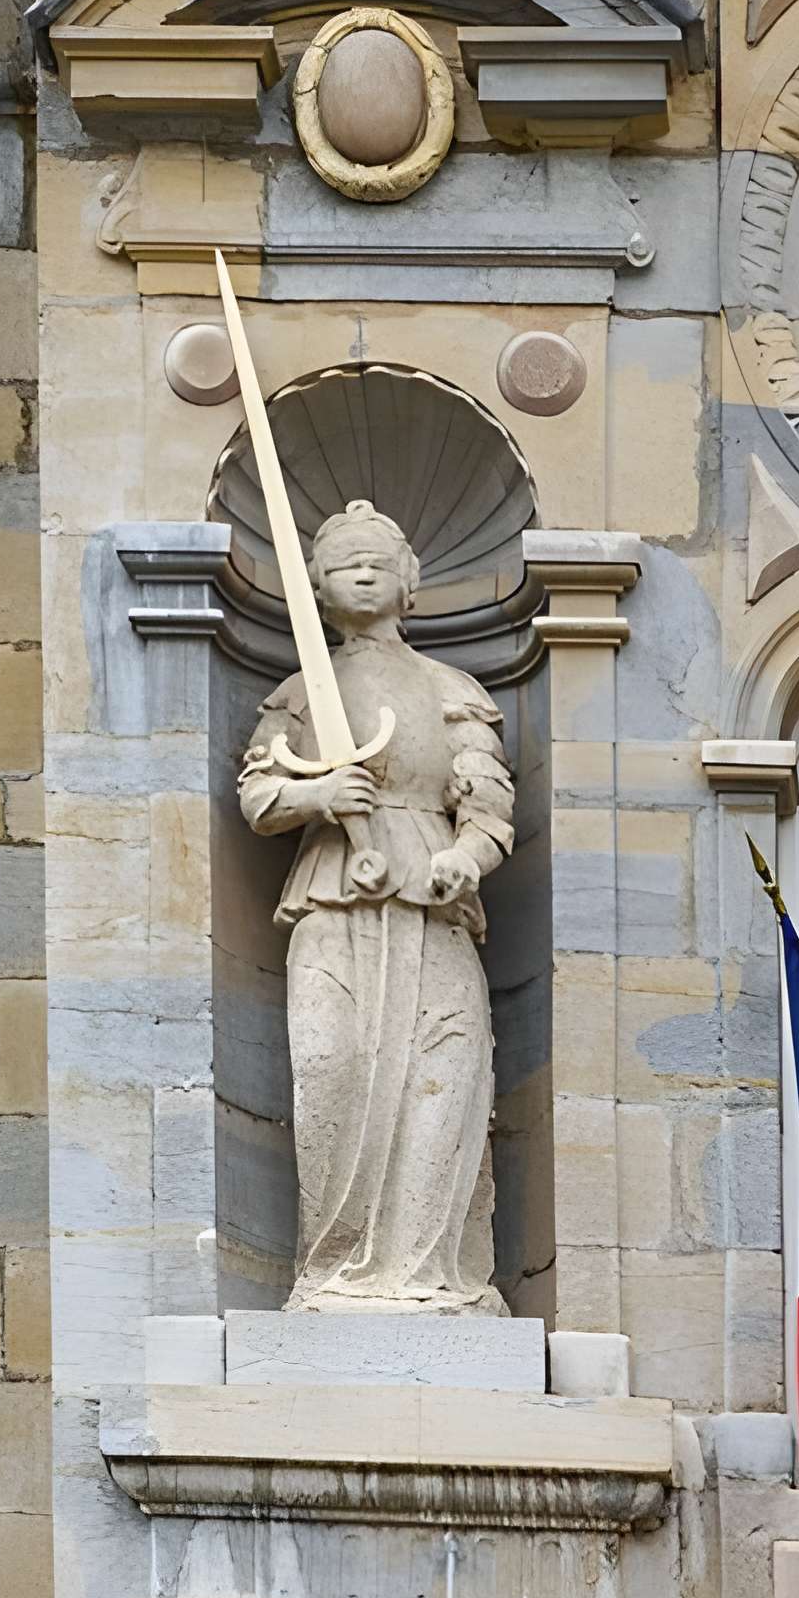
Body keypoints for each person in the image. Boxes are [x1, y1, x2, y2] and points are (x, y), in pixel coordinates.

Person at [237, 501, 516, 1313]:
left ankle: (430, 1274)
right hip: (333, 901)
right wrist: (317, 791)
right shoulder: (303, 691)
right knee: (331, 1071)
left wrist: (464, 858)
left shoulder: (448, 688)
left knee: (442, 1079)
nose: (362, 569)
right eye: (342, 560)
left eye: (378, 559)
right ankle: (336, 1270)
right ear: (316, 588)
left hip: (431, 909)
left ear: (410, 584)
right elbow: (258, 794)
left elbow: (491, 804)